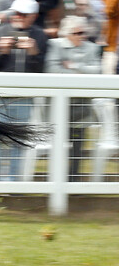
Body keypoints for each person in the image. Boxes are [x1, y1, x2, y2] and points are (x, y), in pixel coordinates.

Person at [0, 0, 48, 181]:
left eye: (23, 15)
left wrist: (34, 53)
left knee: (18, 140)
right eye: (16, 13)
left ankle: (15, 182)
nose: (18, 17)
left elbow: (42, 70)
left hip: (24, 96)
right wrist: (1, 52)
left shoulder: (40, 35)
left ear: (33, 16)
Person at [45, 15, 101, 181]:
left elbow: (97, 71)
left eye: (83, 32)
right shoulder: (55, 45)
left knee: (78, 146)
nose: (81, 36)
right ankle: (55, 179)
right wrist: (82, 73)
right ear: (67, 33)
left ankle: (74, 180)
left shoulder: (92, 48)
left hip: (82, 106)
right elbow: (52, 70)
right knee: (59, 143)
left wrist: (76, 66)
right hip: (59, 107)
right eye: (77, 33)